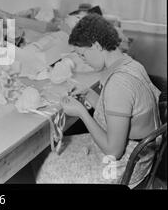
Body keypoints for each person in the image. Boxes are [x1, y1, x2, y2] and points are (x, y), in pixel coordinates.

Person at [31, 14, 161, 187]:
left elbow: (113, 151)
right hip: (141, 154)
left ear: (97, 45)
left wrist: (82, 113)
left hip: (127, 165)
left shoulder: (119, 84)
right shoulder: (129, 64)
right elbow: (121, 110)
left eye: (83, 55)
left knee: (47, 169)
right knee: (53, 151)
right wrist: (88, 94)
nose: (83, 61)